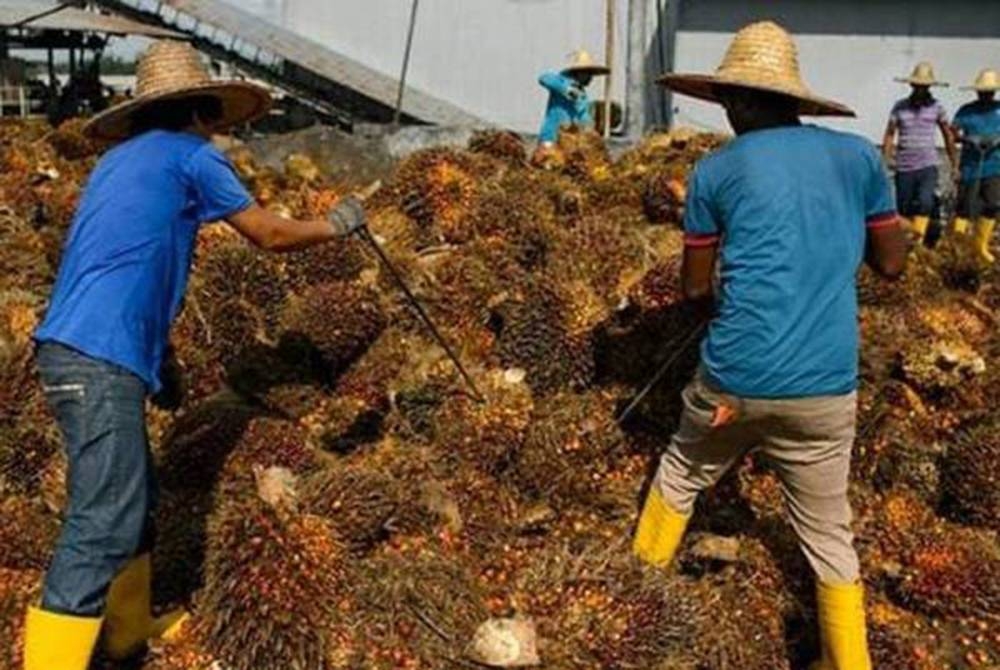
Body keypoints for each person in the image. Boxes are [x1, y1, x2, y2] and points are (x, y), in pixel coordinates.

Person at [25, 41, 368, 670]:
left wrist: (161, 360)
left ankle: (127, 635)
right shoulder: (192, 155)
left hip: (81, 349)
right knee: (102, 521)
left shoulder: (119, 163)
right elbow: (268, 233)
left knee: (135, 502)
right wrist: (334, 226)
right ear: (205, 112)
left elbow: (123, 260)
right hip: (98, 357)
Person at [632, 21, 908, 670]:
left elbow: (697, 290)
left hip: (733, 382)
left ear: (741, 101)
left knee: (680, 473)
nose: (726, 112)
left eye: (729, 100)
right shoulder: (860, 159)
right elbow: (892, 266)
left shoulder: (715, 171)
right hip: (824, 390)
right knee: (830, 536)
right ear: (796, 101)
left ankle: (629, 607)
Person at [882, 62, 958, 244]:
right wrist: (886, 158)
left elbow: (947, 134)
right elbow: (890, 133)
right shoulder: (900, 107)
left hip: (927, 164)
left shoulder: (936, 107)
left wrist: (954, 162)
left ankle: (918, 241)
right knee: (904, 205)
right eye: (917, 86)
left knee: (925, 202)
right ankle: (906, 243)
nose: (920, 89)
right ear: (912, 86)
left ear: (929, 87)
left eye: (924, 87)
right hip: (905, 165)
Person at [952, 68, 1000, 265]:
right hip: (971, 165)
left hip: (995, 165)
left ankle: (981, 245)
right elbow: (953, 132)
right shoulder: (967, 111)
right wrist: (967, 139)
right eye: (982, 92)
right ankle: (957, 246)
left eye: (989, 92)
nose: (986, 95)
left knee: (993, 203)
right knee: (965, 206)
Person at [536, 49, 609, 145]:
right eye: (588, 74)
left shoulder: (582, 95)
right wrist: (566, 89)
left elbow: (583, 116)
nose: (591, 78)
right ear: (579, 72)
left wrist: (590, 130)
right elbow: (544, 78)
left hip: (569, 142)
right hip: (551, 139)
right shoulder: (562, 81)